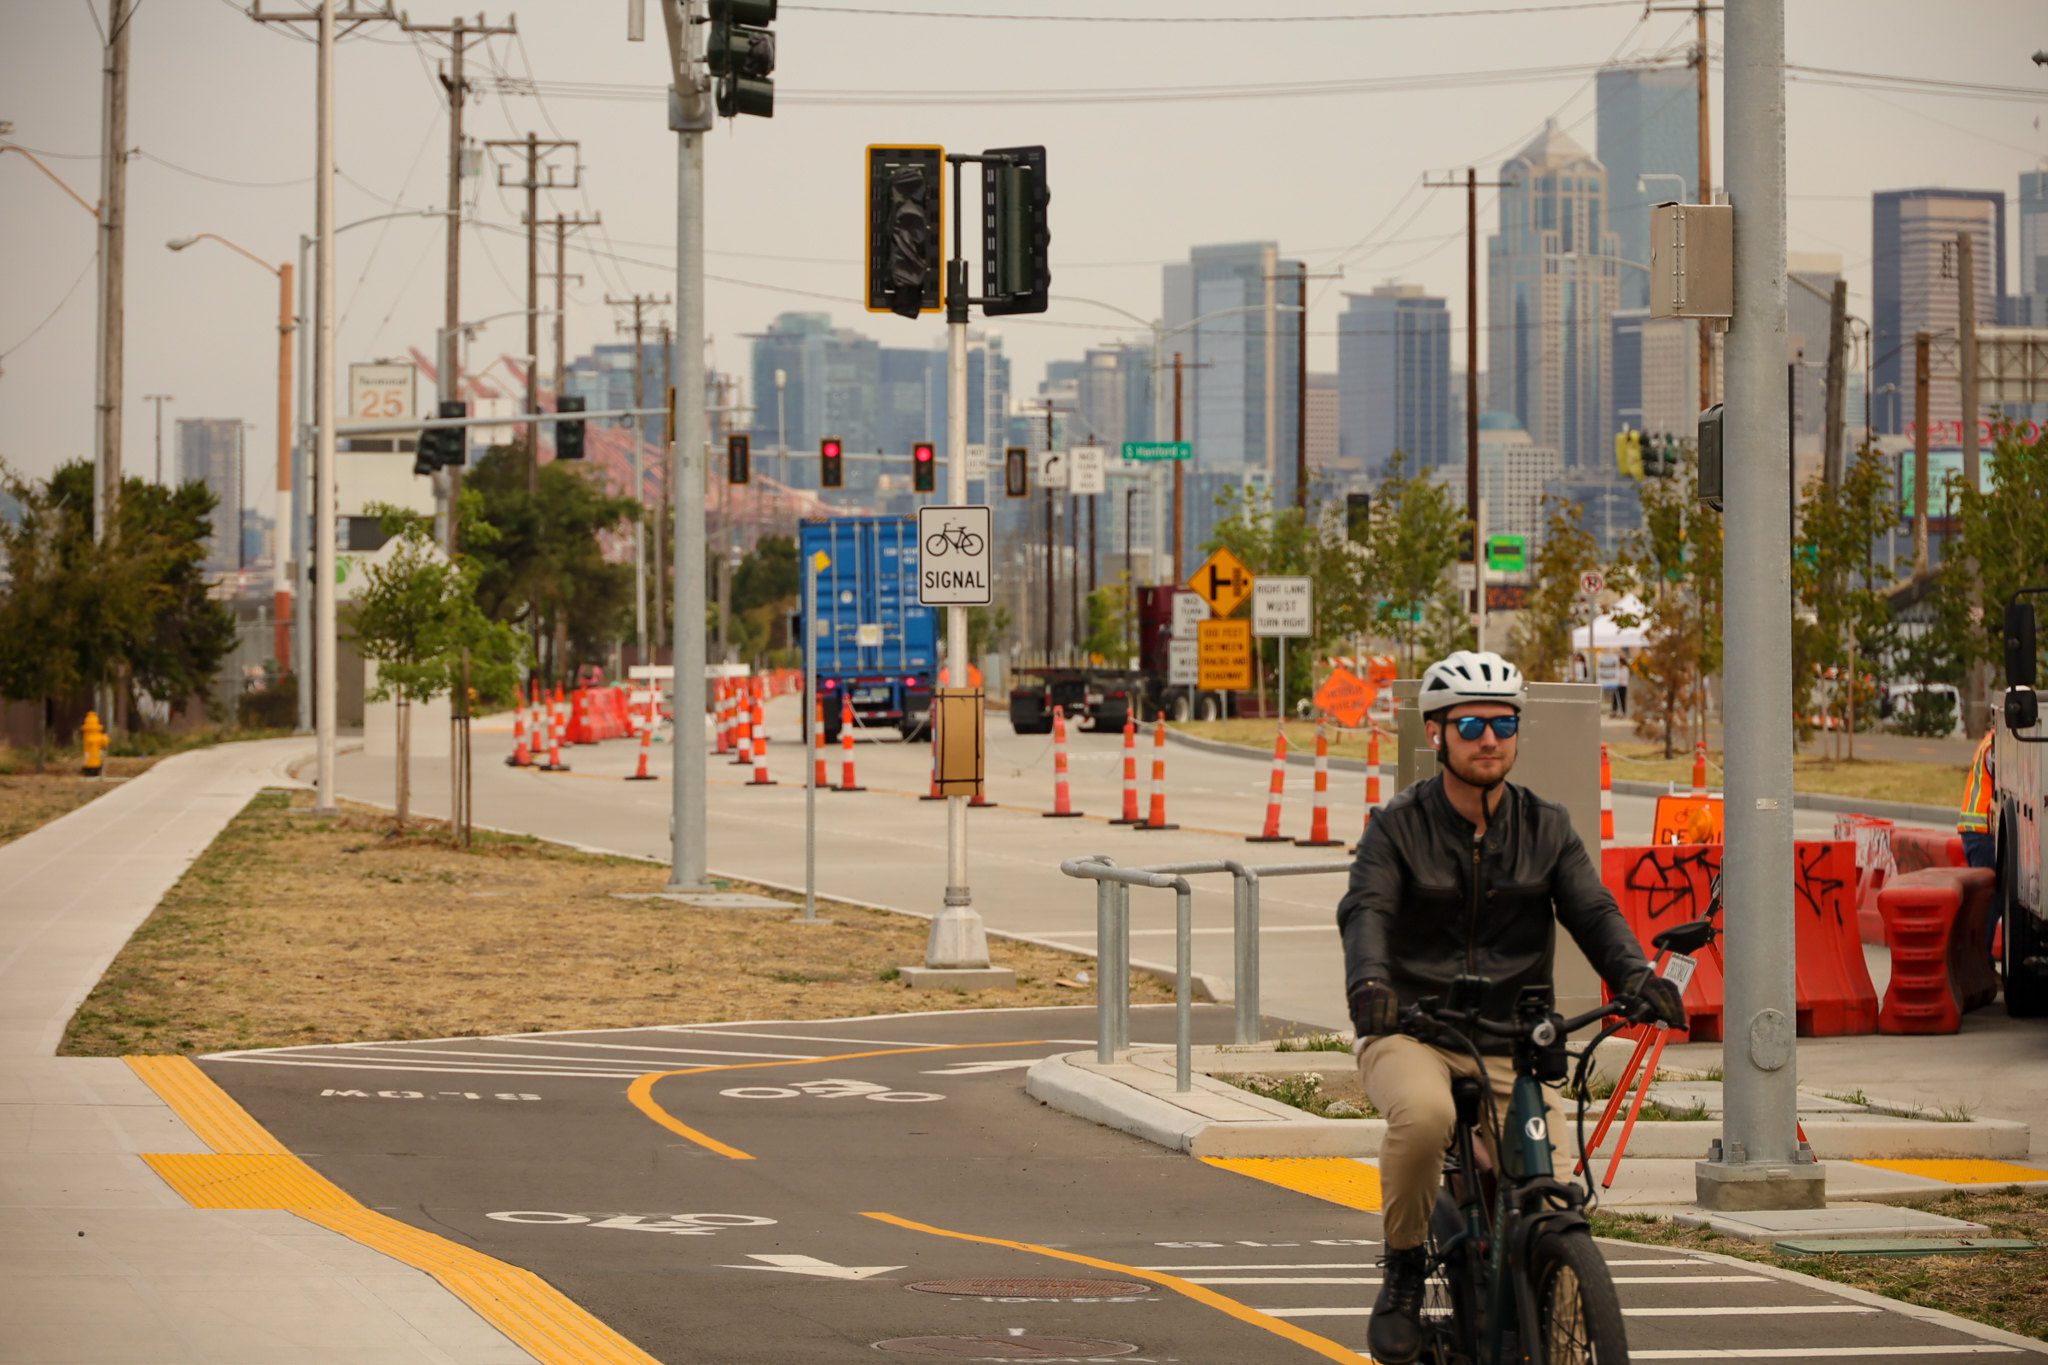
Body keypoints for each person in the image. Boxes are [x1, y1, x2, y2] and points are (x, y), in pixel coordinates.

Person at [1337, 650, 1685, 1365]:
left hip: (1515, 1040)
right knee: (1428, 1117)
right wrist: (1369, 988)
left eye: (1503, 723)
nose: (1488, 738)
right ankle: (1404, 1268)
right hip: (1413, 1030)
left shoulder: (1547, 827)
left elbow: (1593, 910)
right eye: (1470, 723)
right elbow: (1365, 910)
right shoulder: (1396, 828)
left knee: (1553, 1198)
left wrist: (1636, 976)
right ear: (1438, 734)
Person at [1959, 726, 1998, 955]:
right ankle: (1980, 962)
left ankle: (1981, 962)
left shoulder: (1990, 740)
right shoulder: (1995, 745)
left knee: (1989, 901)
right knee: (1990, 902)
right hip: (1982, 832)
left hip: (1978, 831)